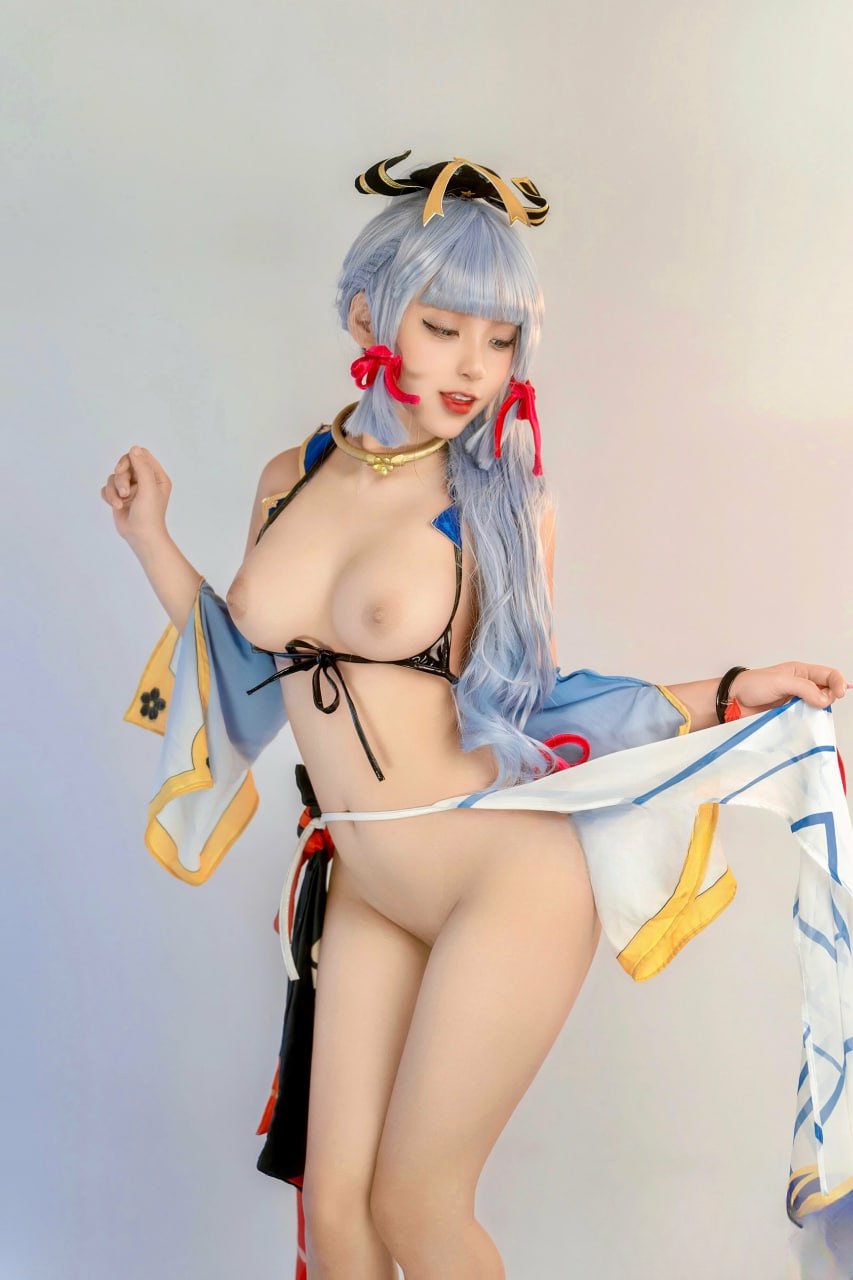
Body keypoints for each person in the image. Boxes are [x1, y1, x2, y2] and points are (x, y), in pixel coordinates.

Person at [103, 154, 851, 1278]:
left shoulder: (496, 504)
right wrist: (150, 540)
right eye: (445, 327)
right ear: (370, 316)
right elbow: (245, 663)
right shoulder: (287, 477)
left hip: (498, 880)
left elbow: (537, 700)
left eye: (499, 340)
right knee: (339, 1218)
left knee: (419, 1206)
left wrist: (731, 687)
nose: (473, 366)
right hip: (367, 879)